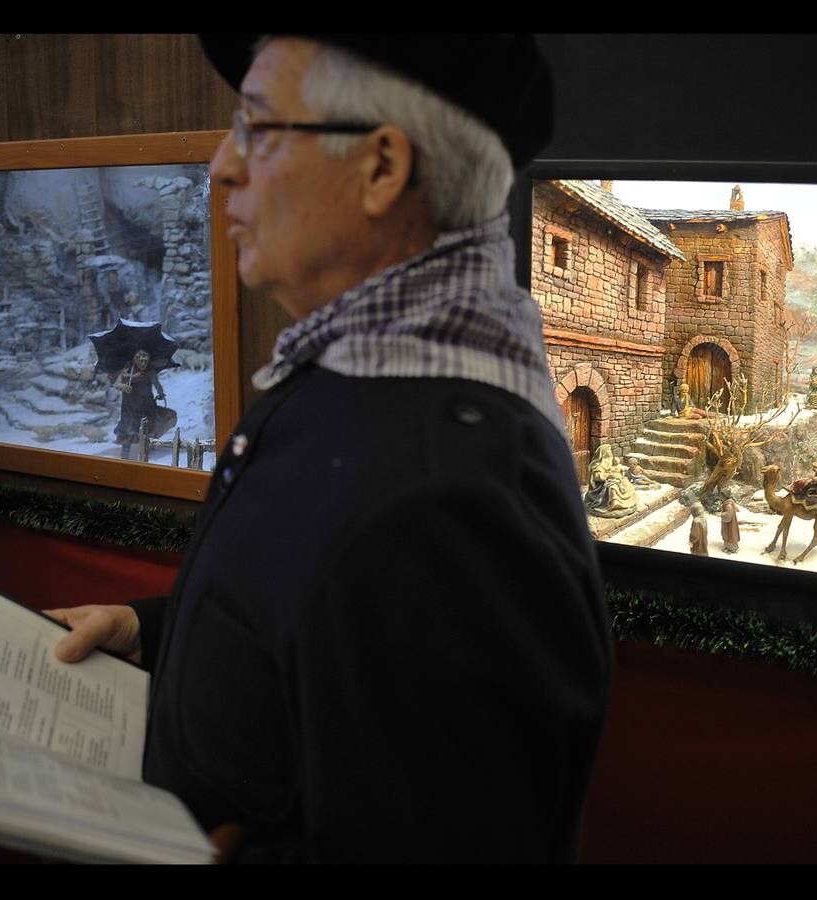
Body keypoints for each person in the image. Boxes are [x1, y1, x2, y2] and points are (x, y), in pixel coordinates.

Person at [47, 35, 611, 863]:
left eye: (258, 128)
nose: (221, 167)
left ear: (382, 168)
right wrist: (152, 631)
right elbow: (334, 618)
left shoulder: (449, 499)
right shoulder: (366, 379)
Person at [112, 349, 166, 459]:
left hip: (147, 404)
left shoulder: (150, 372)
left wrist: (161, 393)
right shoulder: (127, 371)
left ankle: (147, 450)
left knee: (148, 426)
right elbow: (117, 384)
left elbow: (157, 384)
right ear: (135, 360)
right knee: (128, 427)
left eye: (145, 361)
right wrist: (124, 387)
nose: (143, 363)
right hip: (130, 405)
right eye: (140, 360)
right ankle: (125, 453)